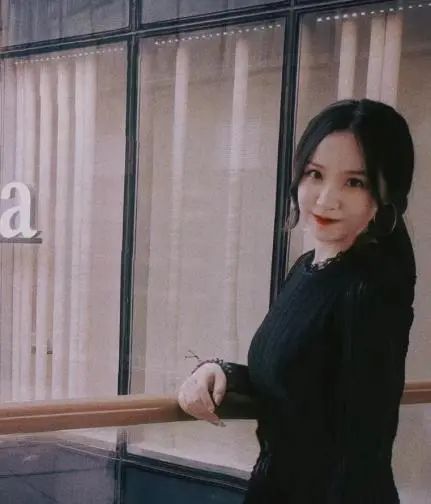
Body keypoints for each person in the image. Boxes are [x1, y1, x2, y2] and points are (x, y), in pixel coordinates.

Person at [177, 99, 416, 503]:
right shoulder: (309, 268)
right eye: (315, 174)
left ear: (385, 195)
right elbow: (295, 382)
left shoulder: (367, 292)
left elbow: (360, 454)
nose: (325, 199)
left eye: (354, 182)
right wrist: (219, 372)